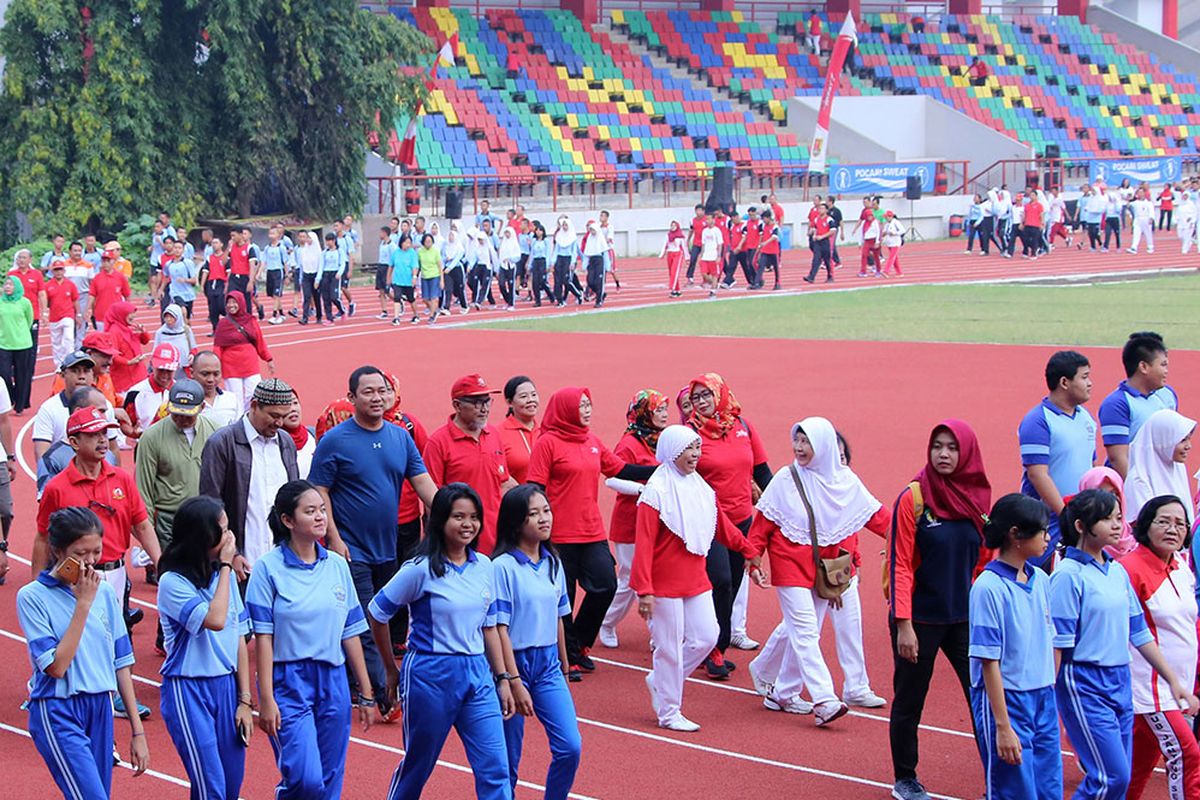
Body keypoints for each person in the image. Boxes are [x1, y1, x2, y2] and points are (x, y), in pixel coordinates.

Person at [366, 483, 514, 800]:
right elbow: (377, 612)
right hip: (430, 675)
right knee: (419, 765)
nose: (468, 524)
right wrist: (389, 669)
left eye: (474, 517)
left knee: (495, 768)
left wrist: (502, 677)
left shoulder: (485, 567)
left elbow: (489, 627)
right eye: (458, 516)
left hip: (477, 675)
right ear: (440, 520)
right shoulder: (419, 570)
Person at [1052, 490, 1198, 800]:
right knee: (1111, 776)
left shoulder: (1116, 571)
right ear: (1081, 525)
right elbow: (1058, 645)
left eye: (1119, 518)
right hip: (1086, 682)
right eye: (1108, 519)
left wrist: (1176, 683)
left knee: (1126, 776)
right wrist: (1050, 697)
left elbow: (1139, 632)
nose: (1119, 525)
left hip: (1120, 683)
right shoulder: (1067, 575)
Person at [309, 365, 438, 717]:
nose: (377, 397)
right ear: (352, 398)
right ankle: (382, 693)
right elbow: (318, 489)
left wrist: (451, 515)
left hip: (390, 545)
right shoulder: (336, 440)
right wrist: (333, 537)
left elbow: (424, 483)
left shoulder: (400, 437)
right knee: (365, 618)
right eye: (368, 392)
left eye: (382, 391)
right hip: (351, 548)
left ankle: (363, 677)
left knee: (383, 614)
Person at [747, 418, 891, 720]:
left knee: (805, 631)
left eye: (807, 442)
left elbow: (877, 518)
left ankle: (783, 692)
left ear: (823, 446)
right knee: (805, 632)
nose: (799, 448)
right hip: (789, 566)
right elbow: (763, 524)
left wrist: (913, 537)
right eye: (797, 441)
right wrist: (754, 558)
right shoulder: (786, 479)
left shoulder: (846, 482)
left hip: (825, 569)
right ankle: (825, 699)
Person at [247, 480, 376, 800]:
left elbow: (351, 631)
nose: (321, 517)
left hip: (333, 680)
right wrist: (265, 698)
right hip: (288, 681)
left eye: (322, 510)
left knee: (331, 779)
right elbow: (263, 638)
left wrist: (366, 692)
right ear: (288, 520)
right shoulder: (267, 569)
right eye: (310, 511)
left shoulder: (336, 565)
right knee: (306, 780)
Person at [632, 425, 764, 731]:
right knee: (668, 648)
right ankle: (669, 712)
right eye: (688, 449)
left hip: (695, 578)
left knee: (706, 637)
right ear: (672, 452)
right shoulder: (656, 493)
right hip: (663, 585)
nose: (695, 455)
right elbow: (645, 544)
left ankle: (663, 681)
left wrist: (749, 550)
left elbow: (722, 526)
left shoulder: (701, 488)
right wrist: (645, 590)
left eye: (697, 448)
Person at [888, 420, 992, 800]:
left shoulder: (977, 500)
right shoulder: (914, 499)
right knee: (910, 700)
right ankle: (905, 779)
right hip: (919, 621)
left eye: (952, 448)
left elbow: (983, 561)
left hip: (965, 620)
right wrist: (904, 625)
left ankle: (996, 780)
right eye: (937, 447)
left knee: (983, 698)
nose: (944, 454)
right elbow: (900, 562)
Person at [17, 506, 150, 799]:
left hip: (100, 709)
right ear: (56, 549)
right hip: (58, 709)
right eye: (80, 553)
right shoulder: (32, 597)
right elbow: (56, 666)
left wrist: (138, 733)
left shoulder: (103, 592)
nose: (90, 562)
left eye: (96, 552)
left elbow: (122, 664)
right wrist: (83, 604)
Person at [527, 387, 656, 679]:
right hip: (559, 534)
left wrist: (659, 469)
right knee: (565, 598)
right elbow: (535, 487)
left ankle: (582, 643)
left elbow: (619, 469)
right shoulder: (547, 443)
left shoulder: (592, 441)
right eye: (581, 405)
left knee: (606, 586)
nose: (587, 409)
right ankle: (567, 655)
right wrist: (538, 529)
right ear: (566, 409)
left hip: (592, 530)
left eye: (589, 404)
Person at [155, 495, 254, 800]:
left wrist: (245, 701)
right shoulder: (173, 582)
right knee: (211, 786)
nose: (230, 538)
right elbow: (216, 619)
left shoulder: (220, 577)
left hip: (225, 687)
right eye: (223, 531)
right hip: (189, 689)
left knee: (230, 786)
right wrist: (226, 566)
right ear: (202, 537)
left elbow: (238, 635)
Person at [491, 484, 582, 799]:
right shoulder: (501, 567)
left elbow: (559, 616)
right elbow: (498, 628)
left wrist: (565, 667)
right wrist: (512, 680)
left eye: (546, 510)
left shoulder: (553, 562)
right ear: (516, 521)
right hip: (512, 664)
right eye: (534, 513)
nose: (544, 519)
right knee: (507, 761)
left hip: (548, 668)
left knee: (570, 746)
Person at [967, 494, 1060, 799]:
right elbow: (988, 660)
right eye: (1042, 531)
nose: (1048, 537)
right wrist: (1003, 726)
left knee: (1048, 789)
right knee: (1014, 790)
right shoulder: (989, 588)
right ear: (1015, 534)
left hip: (1042, 696)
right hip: (1008, 700)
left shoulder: (1041, 580)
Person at [686, 373, 771, 676]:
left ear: (720, 395)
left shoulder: (743, 427)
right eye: (696, 398)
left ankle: (713, 644)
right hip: (708, 523)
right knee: (719, 581)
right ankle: (713, 647)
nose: (702, 402)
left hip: (742, 519)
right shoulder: (690, 433)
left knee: (733, 584)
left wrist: (778, 506)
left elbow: (762, 472)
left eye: (707, 395)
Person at [1120, 496, 1200, 798]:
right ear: (1146, 524)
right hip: (1148, 690)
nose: (1172, 529)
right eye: (1163, 521)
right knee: (1186, 753)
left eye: (1179, 523)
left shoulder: (1180, 566)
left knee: (1137, 767)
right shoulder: (1130, 568)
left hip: (1176, 687)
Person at [198, 378, 301, 581]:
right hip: (242, 568)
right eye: (273, 416)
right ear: (254, 405)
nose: (280, 423)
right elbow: (211, 506)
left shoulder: (285, 442)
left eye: (283, 416)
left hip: (284, 564)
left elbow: (293, 498)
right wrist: (231, 554)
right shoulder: (221, 443)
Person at [599, 389, 667, 648]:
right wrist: (641, 489)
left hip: (657, 519)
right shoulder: (628, 443)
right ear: (645, 413)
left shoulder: (660, 439)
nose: (663, 415)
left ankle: (658, 632)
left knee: (654, 575)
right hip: (630, 520)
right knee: (630, 579)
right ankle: (606, 621)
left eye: (664, 410)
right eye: (658, 410)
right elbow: (612, 479)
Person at [1018, 350, 1096, 568]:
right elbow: (1037, 473)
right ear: (1064, 382)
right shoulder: (1038, 420)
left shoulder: (1086, 418)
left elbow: (1091, 467)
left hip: (1080, 520)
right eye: (1084, 377)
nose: (1090, 383)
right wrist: (1066, 515)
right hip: (1048, 521)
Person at [423, 374, 516, 553]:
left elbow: (503, 482)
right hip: (460, 544)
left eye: (487, 401)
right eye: (476, 402)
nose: (484, 408)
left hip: (496, 540)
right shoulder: (439, 442)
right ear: (457, 405)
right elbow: (432, 499)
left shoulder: (494, 435)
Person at [135, 378, 218, 572]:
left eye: (188, 415)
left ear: (202, 407)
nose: (181, 419)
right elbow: (143, 489)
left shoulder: (216, 432)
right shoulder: (151, 437)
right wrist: (148, 539)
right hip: (168, 523)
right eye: (177, 413)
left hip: (207, 521)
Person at [1099, 332, 1178, 477]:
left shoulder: (1168, 395)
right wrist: (1138, 490)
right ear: (1143, 367)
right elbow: (1118, 458)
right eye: (1163, 365)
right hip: (1135, 485)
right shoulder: (1117, 404)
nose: (1166, 371)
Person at [1123, 408, 1196, 521]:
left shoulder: (1178, 468)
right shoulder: (1140, 479)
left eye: (1189, 439)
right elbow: (1143, 524)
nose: (1188, 446)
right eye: (1182, 440)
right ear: (1163, 440)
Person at [213, 292, 274, 414]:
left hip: (250, 366)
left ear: (241, 303)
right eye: (229, 303)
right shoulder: (223, 324)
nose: (231, 305)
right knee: (235, 399)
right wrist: (215, 368)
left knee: (254, 395)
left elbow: (259, 341)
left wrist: (269, 359)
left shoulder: (250, 321)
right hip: (231, 368)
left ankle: (250, 421)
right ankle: (238, 425)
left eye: (234, 302)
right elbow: (218, 347)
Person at [10, 248, 44, 412]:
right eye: (19, 258)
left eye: (24, 257)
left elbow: (41, 293)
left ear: (29, 259)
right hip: (14, 320)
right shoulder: (12, 274)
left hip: (32, 318)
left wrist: (43, 313)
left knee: (29, 356)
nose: (21, 260)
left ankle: (24, 396)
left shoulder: (36, 274)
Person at [126, 343, 179, 433]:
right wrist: (134, 433)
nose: (164, 375)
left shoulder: (181, 392)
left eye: (169, 370)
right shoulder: (135, 393)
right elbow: (126, 424)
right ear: (151, 365)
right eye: (160, 370)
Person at [0, 276, 34, 411]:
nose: (7, 287)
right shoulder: (1, 302)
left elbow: (29, 320)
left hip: (22, 343)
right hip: (3, 343)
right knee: (4, 374)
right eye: (6, 284)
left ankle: (20, 405)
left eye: (11, 284)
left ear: (17, 287)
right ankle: (11, 396)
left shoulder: (25, 302)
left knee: (22, 376)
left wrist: (20, 332)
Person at [499, 376, 540, 484]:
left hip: (545, 499)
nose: (531, 400)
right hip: (515, 498)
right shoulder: (498, 433)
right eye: (523, 396)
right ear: (509, 402)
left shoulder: (546, 431)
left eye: (534, 395)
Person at [104, 301, 151, 394]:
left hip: (138, 373)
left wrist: (143, 332)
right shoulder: (114, 331)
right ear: (121, 314)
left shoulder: (129, 327)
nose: (133, 316)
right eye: (130, 313)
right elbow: (112, 355)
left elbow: (145, 341)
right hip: (125, 379)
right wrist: (129, 362)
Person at [190, 350, 241, 428]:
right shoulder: (185, 403)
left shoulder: (232, 399)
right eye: (205, 374)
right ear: (192, 373)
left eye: (216, 374)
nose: (211, 379)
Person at [86, 250, 131, 333]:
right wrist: (88, 309)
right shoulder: (97, 278)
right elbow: (92, 295)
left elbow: (127, 295)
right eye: (104, 261)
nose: (106, 263)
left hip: (116, 316)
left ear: (113, 261)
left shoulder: (120, 277)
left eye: (108, 260)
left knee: (116, 340)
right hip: (100, 316)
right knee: (103, 341)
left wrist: (128, 312)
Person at [45, 262, 80, 368]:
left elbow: (75, 300)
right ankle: (59, 364)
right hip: (54, 318)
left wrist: (78, 315)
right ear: (52, 271)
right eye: (56, 270)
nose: (58, 272)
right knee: (56, 342)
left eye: (60, 269)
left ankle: (70, 362)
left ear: (64, 271)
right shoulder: (48, 285)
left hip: (68, 315)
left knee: (68, 339)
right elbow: (46, 302)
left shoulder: (70, 284)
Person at [153, 304, 197, 374]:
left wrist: (192, 355)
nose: (168, 319)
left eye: (171, 317)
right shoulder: (160, 333)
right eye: (166, 317)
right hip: (167, 369)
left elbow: (193, 348)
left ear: (178, 317)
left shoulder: (186, 330)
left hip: (184, 368)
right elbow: (155, 352)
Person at [283, 391, 317, 479]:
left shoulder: (313, 435)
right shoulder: (274, 441)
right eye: (286, 404)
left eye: (295, 403)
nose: (293, 409)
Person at [552, 217, 582, 307]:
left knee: (566, 280)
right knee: (557, 281)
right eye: (563, 225)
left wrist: (573, 262)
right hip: (559, 259)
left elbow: (574, 251)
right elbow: (556, 250)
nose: (564, 227)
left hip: (568, 259)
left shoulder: (573, 237)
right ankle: (560, 300)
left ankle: (578, 294)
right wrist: (552, 262)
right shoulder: (559, 236)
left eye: (566, 225)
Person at [803, 202, 835, 284]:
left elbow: (832, 231)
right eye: (819, 208)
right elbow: (815, 228)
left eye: (822, 208)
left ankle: (830, 276)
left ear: (826, 210)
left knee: (827, 261)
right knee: (816, 259)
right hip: (818, 242)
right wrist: (813, 234)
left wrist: (823, 236)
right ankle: (811, 276)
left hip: (825, 242)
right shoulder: (816, 219)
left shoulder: (829, 219)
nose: (820, 210)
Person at [527, 223, 553, 307]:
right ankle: (537, 300)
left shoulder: (546, 241)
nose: (538, 232)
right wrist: (529, 265)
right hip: (536, 261)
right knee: (535, 282)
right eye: (537, 230)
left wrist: (548, 264)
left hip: (543, 261)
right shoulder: (534, 241)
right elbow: (532, 253)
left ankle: (550, 294)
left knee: (542, 281)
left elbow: (548, 253)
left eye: (540, 230)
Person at [1128, 187, 1156, 254]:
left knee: (1148, 233)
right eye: (1138, 192)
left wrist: (1151, 218)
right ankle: (1134, 247)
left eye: (1141, 192)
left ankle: (1150, 246)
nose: (1140, 194)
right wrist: (1132, 197)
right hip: (1138, 219)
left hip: (1146, 219)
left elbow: (1151, 211)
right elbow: (1128, 205)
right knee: (1136, 233)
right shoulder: (1135, 203)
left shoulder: (1148, 203)